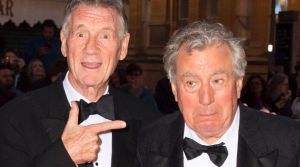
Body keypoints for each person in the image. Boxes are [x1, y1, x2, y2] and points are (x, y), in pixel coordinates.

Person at [0, 1, 159, 167]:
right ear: (64, 42)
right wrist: (62, 156)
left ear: (123, 46)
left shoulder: (150, 123)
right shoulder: (13, 118)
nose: (91, 49)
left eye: (105, 36)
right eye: (81, 34)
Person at [136, 21, 300, 167]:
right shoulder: (148, 143)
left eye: (217, 81)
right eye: (191, 83)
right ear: (174, 90)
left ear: (238, 84)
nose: (206, 99)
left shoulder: (289, 141)